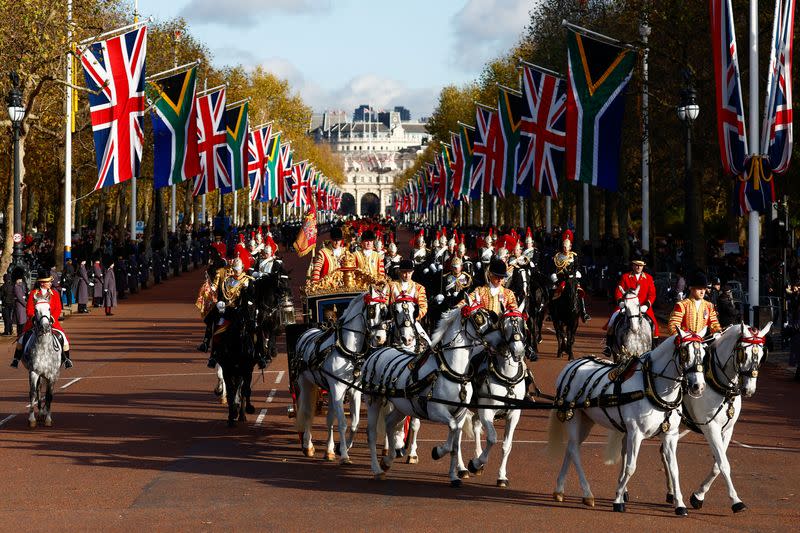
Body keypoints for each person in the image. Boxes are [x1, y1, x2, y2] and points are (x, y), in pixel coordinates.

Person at [10, 269, 72, 369]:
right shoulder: (34, 293)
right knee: (21, 340)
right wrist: (34, 318)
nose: (50, 283)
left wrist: (52, 318)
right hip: (35, 322)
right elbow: (29, 309)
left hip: (52, 322)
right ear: (42, 283)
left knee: (64, 339)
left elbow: (58, 308)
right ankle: (16, 359)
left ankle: (67, 360)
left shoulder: (54, 294)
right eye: (48, 281)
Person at [604, 255, 659, 355]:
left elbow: (652, 294)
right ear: (632, 266)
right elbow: (618, 291)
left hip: (642, 307)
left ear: (643, 267)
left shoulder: (649, 278)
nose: (638, 267)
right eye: (636, 265)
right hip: (627, 306)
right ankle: (608, 346)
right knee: (612, 320)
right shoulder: (625, 277)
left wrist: (646, 305)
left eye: (640, 265)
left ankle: (654, 347)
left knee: (654, 325)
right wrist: (620, 302)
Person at [550, 229, 590, 322]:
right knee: (553, 291)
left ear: (570, 247)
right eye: (564, 246)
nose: (565, 248)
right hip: (561, 278)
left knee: (579, 291)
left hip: (571, 278)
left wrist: (572, 274)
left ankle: (584, 312)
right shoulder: (558, 256)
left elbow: (576, 267)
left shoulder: (574, 256)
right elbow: (555, 268)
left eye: (567, 247)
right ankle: (551, 313)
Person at [388, 259, 429, 345]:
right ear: (399, 271)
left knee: (427, 342)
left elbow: (423, 307)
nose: (407, 275)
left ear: (413, 272)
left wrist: (412, 317)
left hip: (412, 322)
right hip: (394, 321)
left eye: (409, 272)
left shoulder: (419, 288)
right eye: (404, 272)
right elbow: (385, 303)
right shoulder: (391, 285)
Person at [667, 271, 721, 336]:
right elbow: (673, 325)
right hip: (684, 341)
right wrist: (679, 337)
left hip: (700, 341)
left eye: (704, 289)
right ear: (691, 288)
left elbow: (714, 323)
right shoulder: (682, 305)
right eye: (699, 289)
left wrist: (717, 332)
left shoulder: (709, 306)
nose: (702, 292)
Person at [13, 269, 27, 334]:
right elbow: (20, 298)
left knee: (23, 322)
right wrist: (26, 304)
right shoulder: (16, 287)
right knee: (21, 322)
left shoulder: (21, 285)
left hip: (23, 306)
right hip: (20, 306)